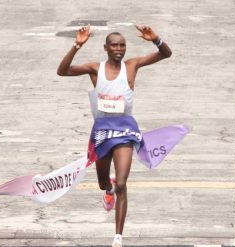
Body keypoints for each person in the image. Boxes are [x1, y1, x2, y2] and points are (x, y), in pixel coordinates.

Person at [57, 24, 172, 247]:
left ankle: (117, 237)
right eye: (115, 45)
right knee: (104, 182)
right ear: (106, 48)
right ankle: (107, 189)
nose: (119, 49)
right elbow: (62, 71)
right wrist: (76, 45)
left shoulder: (132, 66)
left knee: (122, 183)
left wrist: (155, 38)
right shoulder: (94, 69)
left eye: (122, 45)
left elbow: (166, 54)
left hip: (126, 129)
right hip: (102, 130)